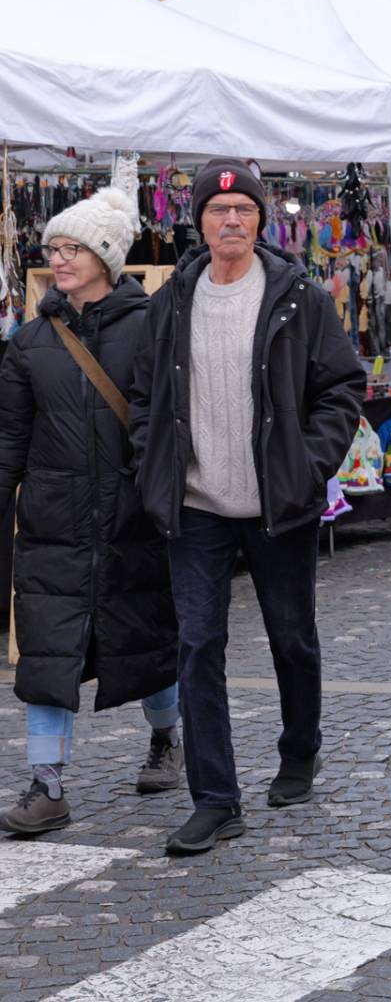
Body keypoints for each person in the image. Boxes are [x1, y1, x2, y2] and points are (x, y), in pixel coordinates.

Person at [129, 159, 365, 856]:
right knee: (198, 645)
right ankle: (216, 798)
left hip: (276, 503)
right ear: (198, 221)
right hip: (196, 503)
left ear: (261, 220)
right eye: (218, 211)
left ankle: (300, 748)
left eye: (244, 211)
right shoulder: (171, 300)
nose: (231, 221)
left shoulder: (298, 295)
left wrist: (307, 463)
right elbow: (144, 396)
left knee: (292, 635)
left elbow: (342, 387)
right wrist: (153, 461)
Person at [0, 188, 181, 836]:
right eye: (54, 247)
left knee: (150, 644)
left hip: (134, 525)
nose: (59, 257)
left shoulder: (151, 328)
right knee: (47, 658)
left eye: (72, 247)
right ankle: (47, 786)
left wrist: (164, 506)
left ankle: (166, 739)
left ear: (106, 255)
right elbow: (8, 443)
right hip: (55, 530)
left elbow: (167, 427)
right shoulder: (29, 344)